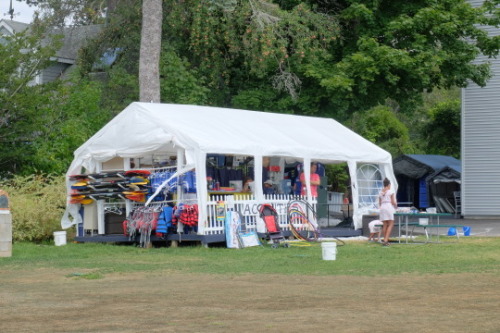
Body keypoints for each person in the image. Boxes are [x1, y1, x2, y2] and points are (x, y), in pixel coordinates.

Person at [379, 177, 397, 246]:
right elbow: (393, 202)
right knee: (391, 223)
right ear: (389, 184)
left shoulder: (380, 192)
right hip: (388, 207)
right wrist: (396, 206)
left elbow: (379, 203)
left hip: (382, 207)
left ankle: (385, 239)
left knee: (385, 224)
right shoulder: (390, 192)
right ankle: (386, 240)